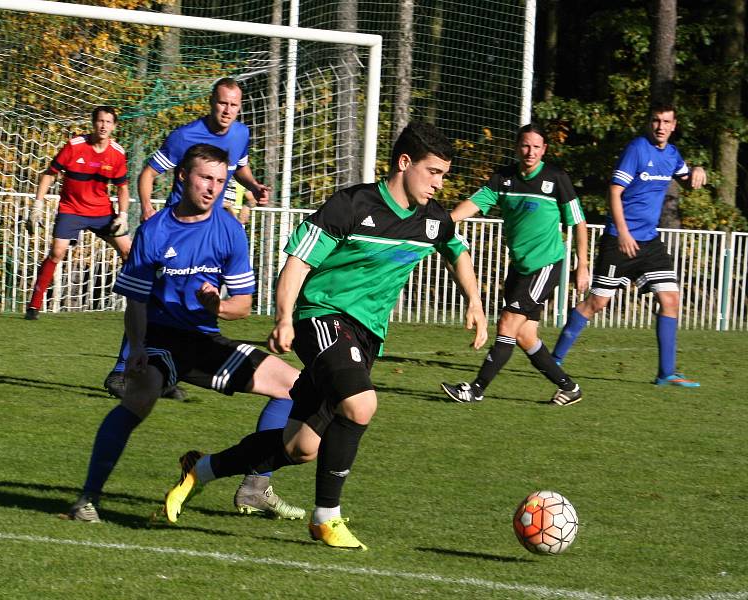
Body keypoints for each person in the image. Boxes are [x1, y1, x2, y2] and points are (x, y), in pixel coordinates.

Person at [160, 122, 489, 551]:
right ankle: (326, 518)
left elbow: (457, 254)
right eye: (433, 172)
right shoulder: (352, 204)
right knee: (362, 403)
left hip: (366, 337)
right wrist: (283, 318)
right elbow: (297, 263)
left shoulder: (432, 221)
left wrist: (476, 304)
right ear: (404, 163)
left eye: (443, 174)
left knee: (300, 447)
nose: (439, 184)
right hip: (322, 318)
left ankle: (199, 470)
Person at [67, 144, 304, 523]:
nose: (213, 188)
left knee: (296, 387)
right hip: (162, 340)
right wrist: (137, 349)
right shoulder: (154, 231)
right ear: (182, 177)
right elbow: (137, 302)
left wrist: (217, 307)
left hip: (205, 341)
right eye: (205, 178)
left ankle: (255, 487)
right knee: (138, 400)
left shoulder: (228, 229)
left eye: (221, 181)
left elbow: (241, 305)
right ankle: (87, 500)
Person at [104, 77, 269, 399]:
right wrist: (149, 208)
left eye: (234, 105)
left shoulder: (240, 134)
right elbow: (149, 174)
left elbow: (239, 169)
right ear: (211, 102)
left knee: (188, 301)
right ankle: (123, 369)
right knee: (150, 297)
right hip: (176, 228)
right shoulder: (184, 137)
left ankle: (167, 370)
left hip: (212, 226)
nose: (228, 111)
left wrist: (254, 186)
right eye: (222, 103)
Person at [551, 102, 707, 387]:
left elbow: (686, 179)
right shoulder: (637, 149)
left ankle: (666, 374)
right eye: (656, 121)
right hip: (619, 241)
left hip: (649, 243)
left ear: (674, 126)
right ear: (650, 123)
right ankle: (554, 360)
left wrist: (697, 171)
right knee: (597, 302)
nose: (660, 126)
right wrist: (623, 232)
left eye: (666, 122)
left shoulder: (672, 155)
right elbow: (614, 191)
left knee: (671, 299)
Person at [440, 124, 589, 407]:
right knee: (524, 335)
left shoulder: (556, 178)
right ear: (517, 147)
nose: (530, 151)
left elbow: (578, 222)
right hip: (519, 268)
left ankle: (476, 389)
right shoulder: (504, 178)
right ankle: (569, 388)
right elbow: (473, 203)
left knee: (507, 324)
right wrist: (445, 223)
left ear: (544, 149)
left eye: (536, 146)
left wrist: (583, 265)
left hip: (546, 266)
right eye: (525, 145)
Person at [24, 106, 131, 320]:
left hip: (102, 212)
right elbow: (49, 175)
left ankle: (143, 303)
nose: (103, 126)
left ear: (114, 126)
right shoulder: (74, 146)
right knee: (57, 252)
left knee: (130, 252)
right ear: (93, 123)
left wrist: (123, 215)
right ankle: (34, 306)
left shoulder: (117, 154)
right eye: (100, 121)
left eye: (108, 122)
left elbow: (122, 188)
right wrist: (37, 204)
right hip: (71, 209)